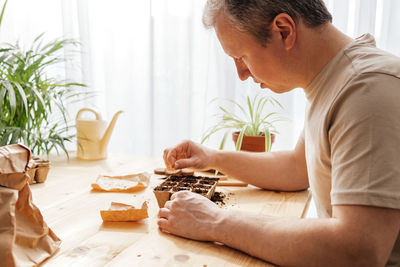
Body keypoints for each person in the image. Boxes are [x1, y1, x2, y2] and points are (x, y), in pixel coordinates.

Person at [157, 0, 400, 265]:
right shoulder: (335, 80)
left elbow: (358, 250)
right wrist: (212, 158)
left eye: (240, 57)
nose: (240, 74)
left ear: (283, 30)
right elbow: (297, 167)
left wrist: (215, 221)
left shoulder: (366, 91)